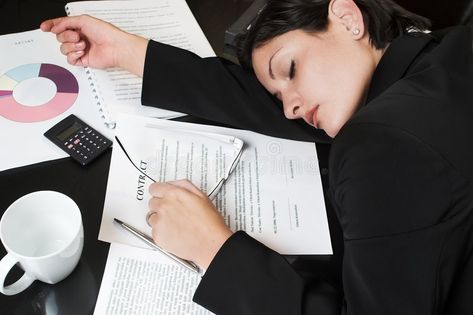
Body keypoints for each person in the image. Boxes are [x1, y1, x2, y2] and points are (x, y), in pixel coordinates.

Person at [40, 0, 473, 313]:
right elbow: (269, 103)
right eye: (280, 95)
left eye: (290, 70)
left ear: (346, 16)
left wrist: (213, 249)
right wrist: (125, 52)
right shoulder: (448, 49)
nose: (289, 108)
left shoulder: (383, 146)